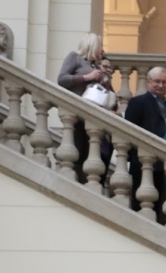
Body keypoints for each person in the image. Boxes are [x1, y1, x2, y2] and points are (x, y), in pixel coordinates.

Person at [57, 33, 107, 181]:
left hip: (91, 115)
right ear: (92, 46)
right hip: (77, 113)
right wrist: (87, 77)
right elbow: (62, 79)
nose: (102, 50)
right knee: (77, 151)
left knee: (89, 153)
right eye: (100, 46)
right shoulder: (74, 57)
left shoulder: (94, 65)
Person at [123, 66, 166, 207]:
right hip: (142, 163)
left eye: (164, 82)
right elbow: (128, 132)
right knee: (139, 204)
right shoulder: (137, 102)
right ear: (148, 82)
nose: (161, 85)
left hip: (163, 164)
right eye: (157, 81)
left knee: (158, 206)